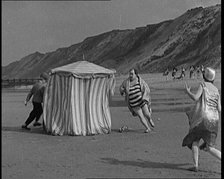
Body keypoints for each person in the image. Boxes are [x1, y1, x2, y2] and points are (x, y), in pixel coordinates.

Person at [182, 67, 221, 172]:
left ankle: (195, 165)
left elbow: (195, 98)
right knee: (210, 147)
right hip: (214, 121)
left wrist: (188, 92)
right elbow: (220, 109)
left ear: (204, 76)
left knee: (195, 140)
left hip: (202, 119)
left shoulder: (203, 85)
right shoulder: (216, 90)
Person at [120, 68, 155, 133]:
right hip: (134, 104)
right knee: (141, 116)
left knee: (147, 114)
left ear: (136, 74)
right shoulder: (126, 82)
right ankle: (147, 128)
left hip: (141, 101)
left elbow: (146, 88)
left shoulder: (140, 80)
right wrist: (122, 90)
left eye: (132, 74)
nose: (130, 75)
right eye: (129, 74)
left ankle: (150, 119)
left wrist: (145, 98)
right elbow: (121, 88)